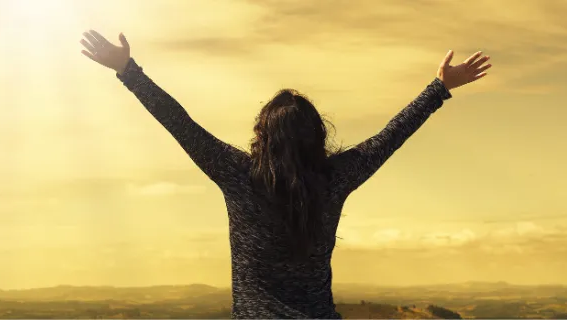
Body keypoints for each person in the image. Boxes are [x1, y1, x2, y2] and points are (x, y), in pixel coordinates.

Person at [79, 30, 491, 319]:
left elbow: (180, 124)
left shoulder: (238, 174)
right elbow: (390, 136)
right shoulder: (335, 177)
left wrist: (129, 71)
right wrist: (438, 88)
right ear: (316, 136)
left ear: (262, 134)